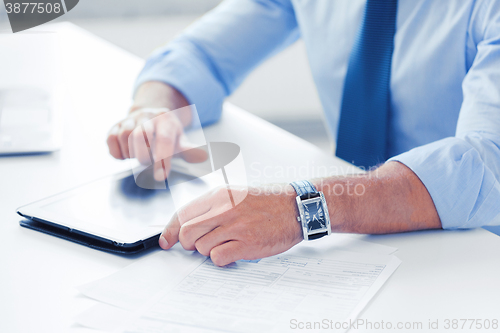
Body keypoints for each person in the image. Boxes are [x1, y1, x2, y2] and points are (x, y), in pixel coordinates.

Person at [106, 0, 500, 266]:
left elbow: (487, 162)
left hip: (479, 252)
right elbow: (202, 54)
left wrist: (300, 207)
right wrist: (154, 109)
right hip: (357, 246)